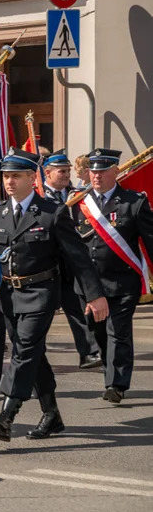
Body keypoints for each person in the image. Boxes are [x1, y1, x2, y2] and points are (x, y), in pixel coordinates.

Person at [0, 149, 108, 440]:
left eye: (16, 176)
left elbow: (78, 257)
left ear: (33, 177)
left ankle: (7, 413)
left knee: (24, 349)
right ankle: (51, 414)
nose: (9, 182)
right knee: (33, 354)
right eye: (6, 176)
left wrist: (95, 295)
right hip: (9, 294)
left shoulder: (52, 213)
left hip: (41, 292)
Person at [73, 147, 153, 404]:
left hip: (121, 281)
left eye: (103, 171)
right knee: (97, 331)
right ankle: (111, 370)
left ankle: (116, 383)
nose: (96, 176)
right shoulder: (77, 203)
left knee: (118, 332)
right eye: (93, 171)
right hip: (89, 284)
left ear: (116, 171)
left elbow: (150, 241)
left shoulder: (134, 202)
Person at [40, 151, 103, 371]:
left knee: (77, 310)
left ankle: (88, 352)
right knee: (41, 318)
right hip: (46, 266)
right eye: (62, 171)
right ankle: (35, 357)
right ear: (47, 173)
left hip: (70, 265)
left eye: (68, 171)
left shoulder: (79, 196)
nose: (67, 175)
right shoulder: (37, 196)